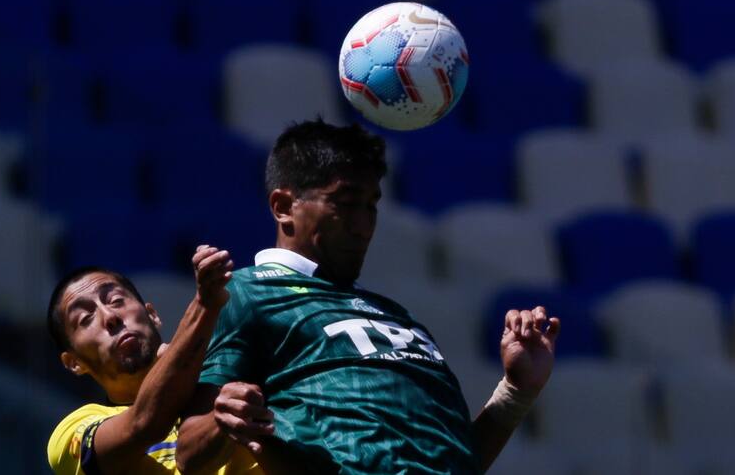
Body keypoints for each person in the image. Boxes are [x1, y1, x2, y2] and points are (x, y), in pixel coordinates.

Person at [177, 120, 560, 474]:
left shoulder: (396, 316)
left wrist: (515, 392)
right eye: (345, 204)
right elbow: (190, 453)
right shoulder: (246, 292)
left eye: (371, 206)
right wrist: (222, 418)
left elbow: (455, 458)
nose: (363, 227)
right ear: (283, 207)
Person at [46, 245, 273, 474]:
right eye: (85, 318)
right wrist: (204, 305)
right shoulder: (71, 432)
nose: (110, 317)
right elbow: (143, 424)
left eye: (116, 300)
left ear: (152, 315)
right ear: (73, 362)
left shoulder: (229, 377)